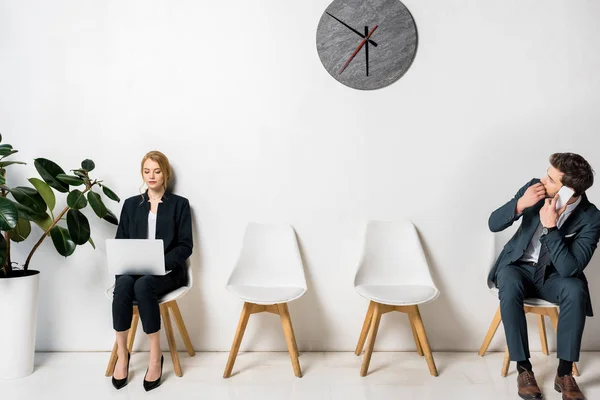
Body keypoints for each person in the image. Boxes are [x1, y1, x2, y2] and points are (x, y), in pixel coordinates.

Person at [488, 153, 600, 400]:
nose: (542, 180)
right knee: (508, 279)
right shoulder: (534, 189)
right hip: (519, 267)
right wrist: (520, 205)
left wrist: (551, 228)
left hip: (555, 276)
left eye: (550, 179)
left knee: (575, 289)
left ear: (567, 192)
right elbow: (493, 223)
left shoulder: (591, 217)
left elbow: (571, 269)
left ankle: (564, 373)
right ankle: (524, 369)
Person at [111, 151, 192, 391]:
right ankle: (122, 355)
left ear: (165, 173)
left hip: (168, 272)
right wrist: (127, 264)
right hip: (133, 270)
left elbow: (185, 246)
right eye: (147, 171)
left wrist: (160, 262)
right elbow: (121, 242)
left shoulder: (179, 204)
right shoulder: (130, 205)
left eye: (157, 171)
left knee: (144, 285)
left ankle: (155, 356)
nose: (151, 176)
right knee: (125, 284)